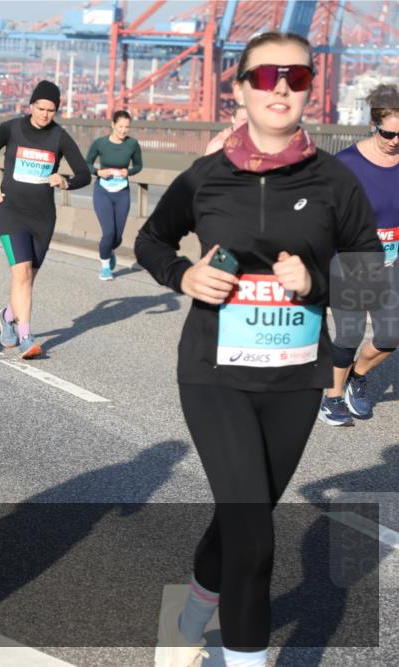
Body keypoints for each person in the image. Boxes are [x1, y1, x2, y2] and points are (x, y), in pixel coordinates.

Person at [134, 32, 382, 667]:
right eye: (267, 76)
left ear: (310, 91)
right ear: (240, 89)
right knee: (256, 540)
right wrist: (184, 276)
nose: (282, 87)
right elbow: (151, 241)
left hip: (295, 382)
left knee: (244, 519)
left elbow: (370, 275)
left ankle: (189, 617)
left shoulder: (336, 181)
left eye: (297, 78)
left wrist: (316, 283)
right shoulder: (206, 177)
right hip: (214, 375)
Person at [0, 80, 91, 359]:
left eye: (50, 110)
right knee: (21, 272)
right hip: (10, 211)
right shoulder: (12, 128)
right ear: (31, 106)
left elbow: (84, 173)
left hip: (42, 217)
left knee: (27, 278)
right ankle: (26, 336)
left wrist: (65, 182)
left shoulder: (59, 137)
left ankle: (8, 316)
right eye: (41, 108)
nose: (45, 114)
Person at [320, 83, 399, 426]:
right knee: (349, 334)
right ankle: (332, 397)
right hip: (350, 261)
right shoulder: (347, 164)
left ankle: (358, 376)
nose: (395, 140)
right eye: (388, 133)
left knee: (390, 336)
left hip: (389, 263)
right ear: (373, 125)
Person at [86, 109, 143, 280]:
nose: (124, 130)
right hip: (103, 191)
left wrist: (129, 172)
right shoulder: (100, 143)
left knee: (117, 237)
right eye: (120, 127)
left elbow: (139, 166)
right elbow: (87, 163)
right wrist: (98, 172)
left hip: (122, 193)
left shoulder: (132, 144)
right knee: (109, 233)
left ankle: (109, 250)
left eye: (127, 127)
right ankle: (105, 268)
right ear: (113, 125)